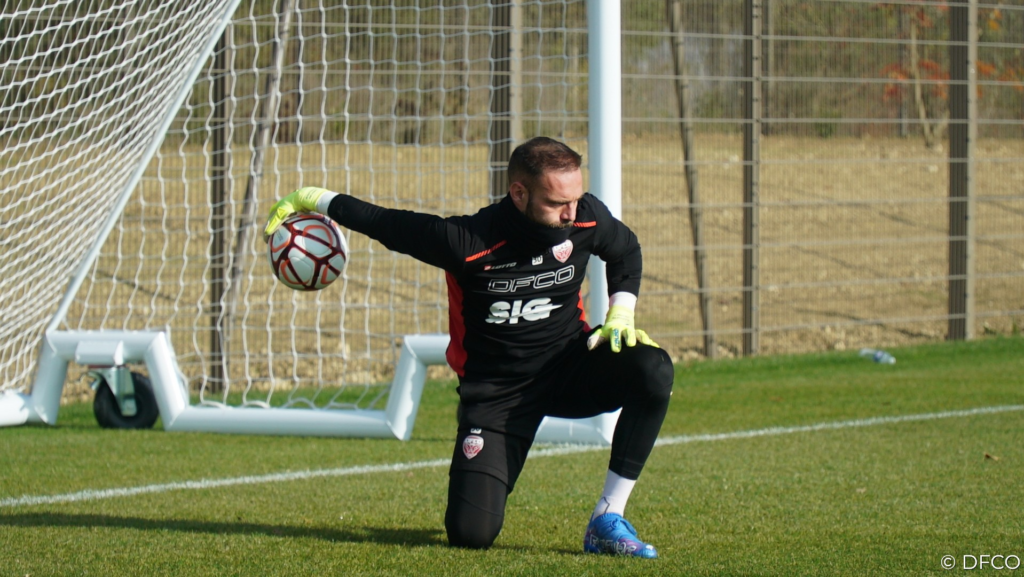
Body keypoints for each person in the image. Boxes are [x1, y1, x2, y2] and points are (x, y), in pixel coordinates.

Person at [264, 137, 673, 558]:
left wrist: (621, 313)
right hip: (496, 395)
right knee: (470, 533)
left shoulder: (585, 217)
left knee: (653, 368)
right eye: (557, 203)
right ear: (519, 193)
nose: (571, 213)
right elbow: (385, 223)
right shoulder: (467, 240)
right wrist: (313, 198)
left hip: (569, 367)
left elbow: (626, 250)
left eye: (576, 197)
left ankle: (607, 518)